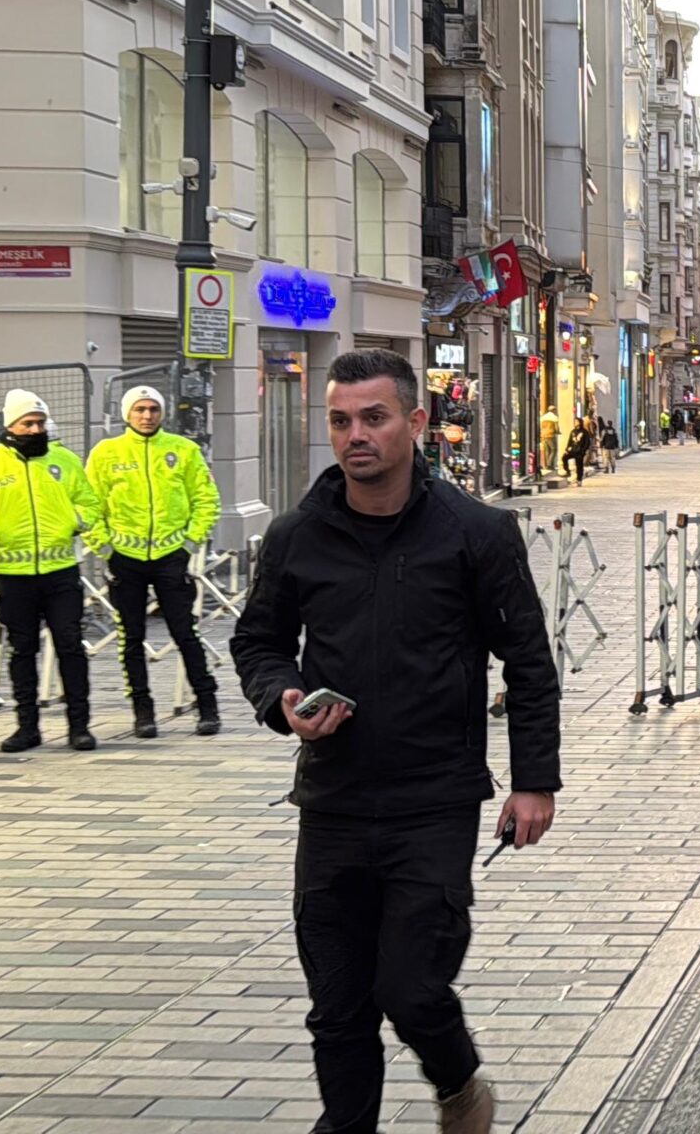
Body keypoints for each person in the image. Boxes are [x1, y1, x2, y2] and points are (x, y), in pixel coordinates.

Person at [230, 350, 560, 1134]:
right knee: (338, 1005)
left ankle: (458, 1086)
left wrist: (534, 782)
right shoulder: (296, 536)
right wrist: (280, 700)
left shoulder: (476, 534)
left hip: (434, 801)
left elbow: (528, 662)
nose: (355, 436)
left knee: (410, 988)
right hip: (334, 800)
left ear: (415, 423)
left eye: (374, 418)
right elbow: (258, 641)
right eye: (340, 420)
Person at [0, 391, 107, 754]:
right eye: (27, 423)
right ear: (10, 425)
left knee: (71, 646)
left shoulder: (65, 460)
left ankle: (79, 726)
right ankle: (27, 727)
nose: (35, 428)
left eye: (40, 422)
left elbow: (90, 504)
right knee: (21, 651)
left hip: (61, 572)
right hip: (12, 573)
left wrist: (75, 521)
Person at [88, 385, 224, 739]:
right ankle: (142, 712)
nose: (147, 416)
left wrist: (190, 543)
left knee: (185, 633)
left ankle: (208, 705)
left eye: (153, 409)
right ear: (127, 414)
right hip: (125, 559)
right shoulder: (106, 453)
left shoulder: (183, 450)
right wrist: (104, 548)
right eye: (139, 410)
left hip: (170, 558)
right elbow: (89, 506)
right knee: (130, 639)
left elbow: (206, 499)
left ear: (162, 413)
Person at [563, 416, 593, 487]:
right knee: (564, 458)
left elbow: (587, 442)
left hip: (580, 452)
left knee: (579, 465)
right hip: (572, 450)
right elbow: (569, 441)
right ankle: (567, 471)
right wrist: (567, 449)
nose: (575, 423)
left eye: (576, 421)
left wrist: (583, 450)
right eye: (574, 422)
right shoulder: (573, 431)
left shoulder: (584, 432)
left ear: (580, 422)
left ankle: (579, 479)